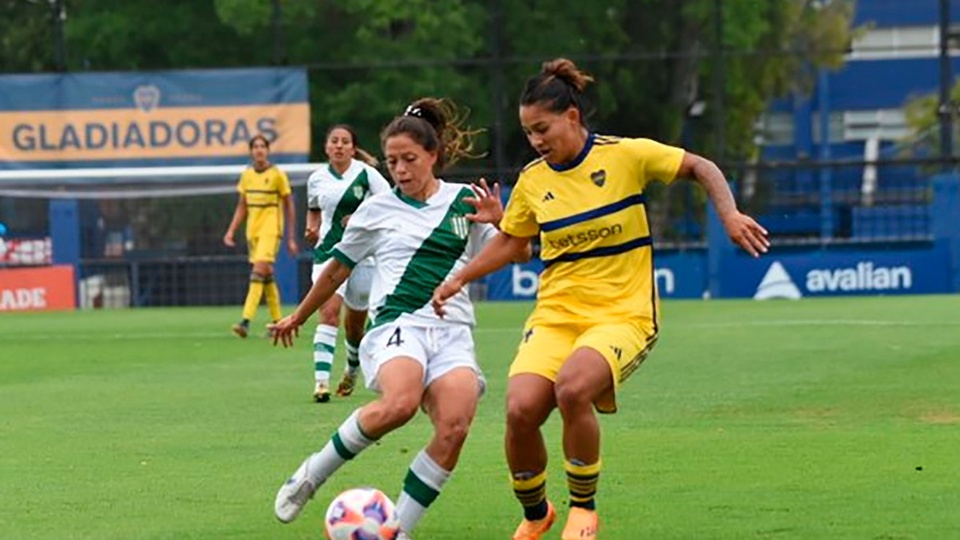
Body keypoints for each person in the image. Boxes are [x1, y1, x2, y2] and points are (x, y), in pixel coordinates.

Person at [431, 58, 770, 540]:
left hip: (623, 314)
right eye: (529, 133)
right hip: (555, 315)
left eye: (542, 129)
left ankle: (583, 510)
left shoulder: (625, 155)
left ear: (572, 117)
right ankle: (535, 514)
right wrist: (460, 278)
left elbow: (700, 166)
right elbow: (514, 243)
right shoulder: (533, 179)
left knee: (572, 388)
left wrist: (730, 214)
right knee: (520, 409)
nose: (536, 141)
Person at [269, 98, 529, 538]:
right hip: (397, 324)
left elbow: (517, 252)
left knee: (454, 426)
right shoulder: (375, 211)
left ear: (433, 155)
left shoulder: (465, 201)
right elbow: (335, 270)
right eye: (392, 162)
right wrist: (299, 315)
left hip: (453, 332)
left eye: (409, 159)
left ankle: (397, 531)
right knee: (401, 404)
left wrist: (501, 222)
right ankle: (312, 473)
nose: (401, 170)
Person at [305, 125, 391, 402]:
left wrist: (361, 217)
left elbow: (389, 204)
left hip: (362, 255)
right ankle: (321, 383)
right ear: (327, 147)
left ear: (353, 148)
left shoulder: (367, 174)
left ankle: (353, 365)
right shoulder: (317, 179)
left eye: (345, 142)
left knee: (355, 325)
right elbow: (314, 208)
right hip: (328, 253)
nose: (339, 146)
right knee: (329, 312)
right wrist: (312, 227)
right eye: (334, 141)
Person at [223, 135, 299, 338]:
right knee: (266, 276)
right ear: (251, 151)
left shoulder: (277, 175)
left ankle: (245, 321)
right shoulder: (247, 175)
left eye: (262, 146)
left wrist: (291, 237)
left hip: (271, 230)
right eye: (255, 147)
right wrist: (231, 230)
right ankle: (278, 322)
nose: (259, 150)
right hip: (253, 231)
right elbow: (242, 205)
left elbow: (289, 205)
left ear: (268, 150)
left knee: (257, 272)